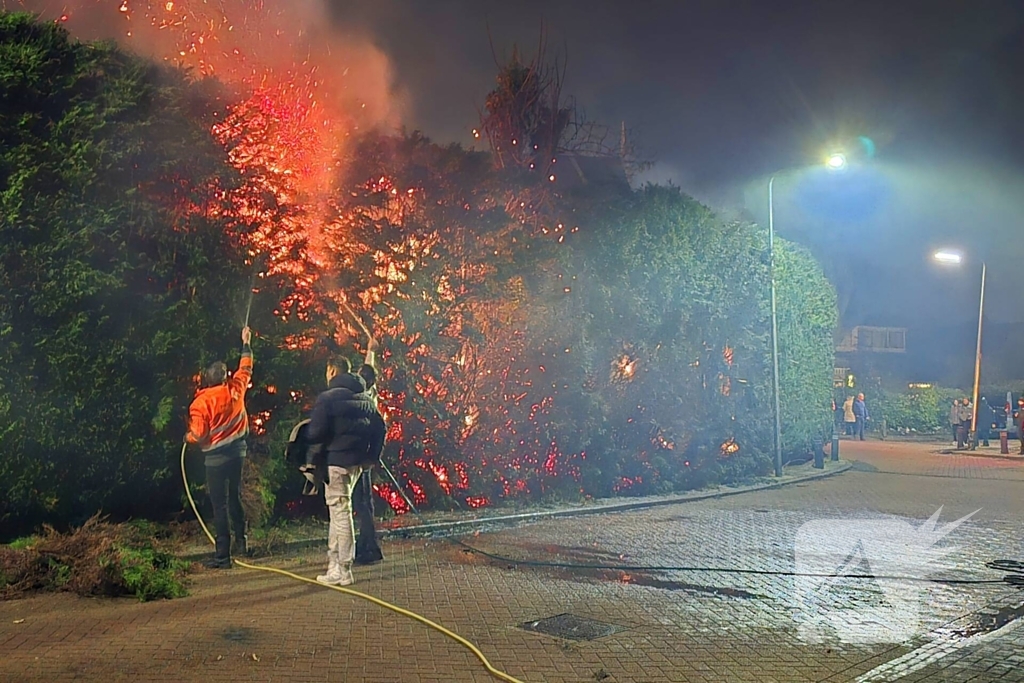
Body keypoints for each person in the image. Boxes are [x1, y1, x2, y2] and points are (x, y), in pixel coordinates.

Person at [306, 355, 380, 586]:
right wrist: (371, 457)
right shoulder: (365, 397)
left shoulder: (327, 399)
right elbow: (381, 428)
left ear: (331, 371)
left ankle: (344, 569)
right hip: (356, 462)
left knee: (340, 513)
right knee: (338, 512)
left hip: (336, 461)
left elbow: (315, 433)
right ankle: (334, 565)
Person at [185, 326, 253, 569]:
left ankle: (222, 556)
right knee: (234, 496)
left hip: (215, 460)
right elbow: (246, 367)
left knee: (219, 504)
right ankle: (242, 543)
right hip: (238, 454)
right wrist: (246, 343)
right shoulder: (236, 389)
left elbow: (199, 434)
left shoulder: (200, 403)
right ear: (225, 377)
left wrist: (188, 438)